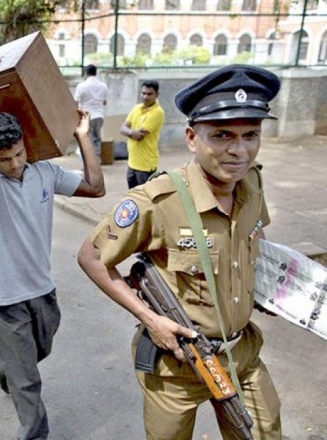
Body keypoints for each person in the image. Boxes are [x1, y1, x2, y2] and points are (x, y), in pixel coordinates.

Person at [77, 64, 282, 439]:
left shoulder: (251, 182)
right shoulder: (157, 202)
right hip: (178, 369)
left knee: (266, 433)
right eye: (222, 135)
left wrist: (267, 283)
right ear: (192, 137)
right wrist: (150, 319)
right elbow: (91, 257)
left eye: (251, 134)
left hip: (242, 356)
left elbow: (257, 232)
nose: (239, 150)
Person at [0, 80, 105, 438]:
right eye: (4, 158)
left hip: (42, 290)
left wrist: (82, 135)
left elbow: (96, 186)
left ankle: (5, 361)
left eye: (19, 154)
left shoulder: (45, 172)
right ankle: (33, 430)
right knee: (28, 384)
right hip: (5, 298)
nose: (14, 164)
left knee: (40, 348)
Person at [119, 80, 165, 188]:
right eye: (143, 93)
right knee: (132, 196)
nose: (145, 96)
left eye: (149, 94)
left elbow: (139, 136)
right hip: (132, 162)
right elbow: (122, 128)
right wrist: (131, 132)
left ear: (157, 94)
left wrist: (128, 131)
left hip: (145, 165)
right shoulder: (136, 108)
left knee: (145, 199)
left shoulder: (157, 112)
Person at [74, 64, 109, 158]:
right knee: (97, 138)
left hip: (87, 116)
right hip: (100, 116)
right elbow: (104, 102)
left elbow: (76, 102)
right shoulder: (103, 86)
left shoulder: (81, 86)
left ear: (85, 73)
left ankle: (89, 163)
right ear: (95, 73)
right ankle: (97, 161)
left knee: (88, 141)